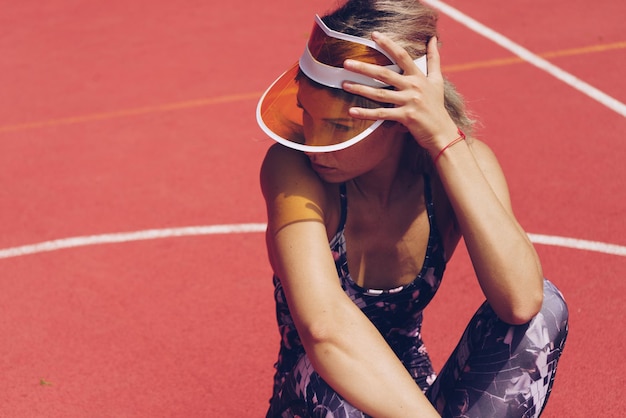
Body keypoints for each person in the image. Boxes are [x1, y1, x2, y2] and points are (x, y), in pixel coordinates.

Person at [256, 0, 569, 416]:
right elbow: (325, 329)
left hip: (412, 395)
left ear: (402, 118)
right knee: (329, 376)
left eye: (338, 125)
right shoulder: (292, 169)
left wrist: (444, 139)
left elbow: (520, 300)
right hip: (322, 396)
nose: (314, 141)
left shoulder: (460, 167)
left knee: (543, 311)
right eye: (307, 114)